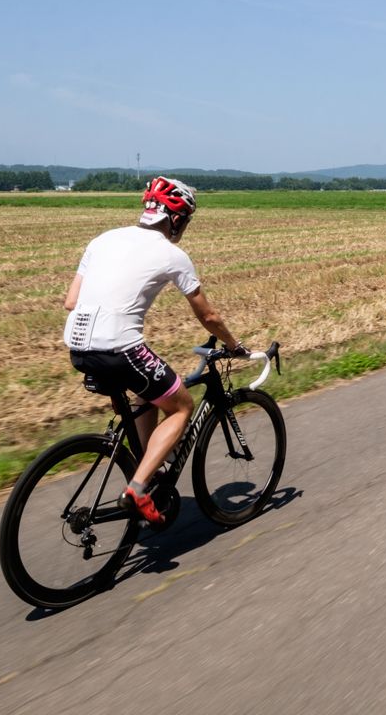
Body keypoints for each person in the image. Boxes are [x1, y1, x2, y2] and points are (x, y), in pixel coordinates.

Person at [62, 176, 246, 525]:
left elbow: (71, 301)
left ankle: (145, 463)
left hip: (77, 345)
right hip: (119, 348)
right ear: (176, 218)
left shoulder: (103, 239)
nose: (185, 228)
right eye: (186, 221)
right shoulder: (172, 254)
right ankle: (138, 489)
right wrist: (234, 346)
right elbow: (207, 315)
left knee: (145, 398)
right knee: (181, 407)